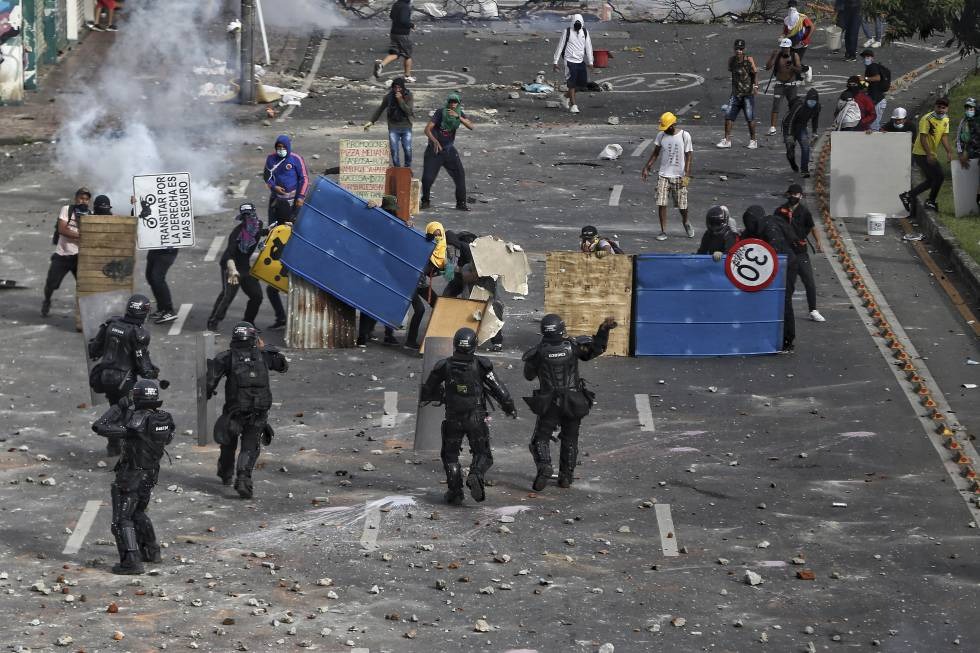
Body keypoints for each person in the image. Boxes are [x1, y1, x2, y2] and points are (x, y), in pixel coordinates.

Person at [420, 327, 516, 504]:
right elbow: (499, 389)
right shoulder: (481, 365)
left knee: (450, 456)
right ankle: (476, 474)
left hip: (452, 419)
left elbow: (427, 391)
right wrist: (509, 407)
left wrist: (441, 394)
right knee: (483, 454)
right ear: (474, 345)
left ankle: (455, 492)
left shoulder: (443, 366)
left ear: (455, 344)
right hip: (476, 418)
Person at [522, 315, 616, 491]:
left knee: (540, 439)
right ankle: (566, 477)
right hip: (574, 400)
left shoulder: (537, 352)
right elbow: (595, 350)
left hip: (549, 402)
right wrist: (604, 330)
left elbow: (528, 375)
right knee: (570, 439)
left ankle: (544, 466)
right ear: (561, 329)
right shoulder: (572, 346)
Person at [92, 379, 174, 575]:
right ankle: (151, 551)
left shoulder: (136, 422)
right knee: (138, 512)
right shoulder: (163, 419)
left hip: (131, 476)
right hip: (150, 475)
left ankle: (131, 561)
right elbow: (168, 438)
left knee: (122, 520)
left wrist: (120, 406)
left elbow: (100, 426)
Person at [207, 321, 288, 499]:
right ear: (254, 337)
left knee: (228, 443)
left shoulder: (226, 357)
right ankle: (243, 479)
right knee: (250, 446)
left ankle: (226, 474)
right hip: (258, 411)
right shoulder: (264, 355)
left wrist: (206, 394)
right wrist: (265, 347)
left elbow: (209, 382)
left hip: (234, 410)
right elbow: (283, 365)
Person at [88, 293, 161, 455]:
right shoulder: (139, 333)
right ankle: (127, 450)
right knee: (129, 415)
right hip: (124, 380)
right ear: (144, 312)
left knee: (114, 409)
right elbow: (143, 366)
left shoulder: (111, 324)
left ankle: (113, 446)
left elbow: (94, 349)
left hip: (105, 377)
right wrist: (153, 372)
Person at [740, 206, 798, 352]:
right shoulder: (757, 227)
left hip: (786, 267)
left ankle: (787, 339)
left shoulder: (769, 227)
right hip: (770, 268)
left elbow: (775, 250)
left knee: (784, 301)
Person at [206, 203, 265, 332]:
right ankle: (213, 323)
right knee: (228, 296)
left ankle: (248, 323)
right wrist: (232, 271)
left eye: (251, 215)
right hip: (231, 267)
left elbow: (262, 232)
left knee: (257, 296)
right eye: (246, 216)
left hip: (245, 267)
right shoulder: (237, 234)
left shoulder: (257, 225)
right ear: (242, 218)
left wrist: (281, 227)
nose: (250, 218)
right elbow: (228, 255)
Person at [641, 111, 694, 241]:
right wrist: (647, 167)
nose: (665, 130)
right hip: (663, 175)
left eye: (667, 127)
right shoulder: (661, 136)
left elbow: (689, 156)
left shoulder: (684, 135)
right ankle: (663, 231)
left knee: (682, 205)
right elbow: (655, 153)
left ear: (672, 125)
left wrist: (686, 175)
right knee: (661, 203)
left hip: (679, 176)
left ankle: (686, 221)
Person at [775, 184, 825, 323]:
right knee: (788, 284)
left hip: (801, 252)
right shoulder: (780, 211)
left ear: (801, 196)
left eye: (796, 195)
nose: (793, 197)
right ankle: (784, 311)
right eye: (791, 194)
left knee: (809, 281)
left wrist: (818, 242)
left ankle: (813, 310)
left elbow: (813, 227)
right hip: (786, 252)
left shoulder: (804, 212)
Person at [42, 187, 90, 317]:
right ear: (76, 198)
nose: (83, 201)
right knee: (51, 284)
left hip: (79, 257)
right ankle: (47, 300)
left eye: (86, 199)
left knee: (83, 286)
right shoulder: (67, 210)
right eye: (81, 198)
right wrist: (82, 235)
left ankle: (83, 312)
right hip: (62, 255)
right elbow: (62, 229)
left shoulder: (90, 215)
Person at [421, 93, 474, 211]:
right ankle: (425, 201)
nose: (453, 104)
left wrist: (458, 117)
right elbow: (427, 129)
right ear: (448, 102)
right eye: (451, 102)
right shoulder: (440, 112)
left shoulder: (459, 113)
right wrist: (434, 141)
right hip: (434, 150)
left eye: (455, 102)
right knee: (427, 178)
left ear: (458, 104)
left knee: (460, 176)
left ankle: (461, 203)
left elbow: (471, 126)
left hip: (449, 150)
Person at [900, 97, 954, 213]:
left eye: (943, 108)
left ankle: (908, 196)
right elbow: (923, 137)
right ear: (935, 106)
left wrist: (949, 151)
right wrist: (929, 154)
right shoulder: (927, 119)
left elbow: (944, 136)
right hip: (921, 153)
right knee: (939, 176)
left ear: (947, 109)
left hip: (930, 153)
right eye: (938, 107)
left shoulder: (946, 119)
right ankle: (931, 201)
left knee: (931, 180)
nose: (940, 110)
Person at [717, 39, 758, 149]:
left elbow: (754, 73)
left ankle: (753, 140)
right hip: (735, 93)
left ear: (744, 49)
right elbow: (732, 71)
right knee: (728, 116)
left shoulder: (748, 60)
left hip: (747, 94)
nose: (738, 51)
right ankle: (727, 140)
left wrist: (755, 86)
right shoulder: (732, 60)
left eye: (741, 49)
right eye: (737, 49)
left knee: (750, 117)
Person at [364, 77, 414, 168]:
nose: (397, 90)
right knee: (394, 150)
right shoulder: (389, 97)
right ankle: (397, 169)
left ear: (403, 88)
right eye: (395, 88)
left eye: (399, 88)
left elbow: (409, 111)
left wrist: (400, 100)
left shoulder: (409, 95)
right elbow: (380, 109)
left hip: (406, 126)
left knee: (407, 149)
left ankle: (407, 168)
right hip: (393, 127)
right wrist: (372, 121)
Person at [552, 13, 594, 115]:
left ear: (582, 23)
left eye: (579, 24)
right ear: (572, 23)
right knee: (572, 83)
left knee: (581, 85)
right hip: (569, 61)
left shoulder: (585, 32)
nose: (577, 26)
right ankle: (574, 105)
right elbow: (560, 46)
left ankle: (565, 96)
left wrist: (591, 61)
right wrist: (555, 61)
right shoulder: (567, 32)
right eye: (576, 24)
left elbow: (588, 47)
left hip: (580, 61)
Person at [263, 135, 308, 223]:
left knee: (293, 225)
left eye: (284, 147)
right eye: (279, 147)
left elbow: (304, 179)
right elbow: (266, 177)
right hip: (277, 198)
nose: (281, 149)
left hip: (294, 200)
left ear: (288, 147)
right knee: (275, 225)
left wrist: (301, 197)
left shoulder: (296, 159)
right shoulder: (271, 158)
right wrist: (274, 187)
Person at [763, 38, 802, 136]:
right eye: (783, 48)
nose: (785, 50)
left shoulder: (794, 56)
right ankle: (773, 128)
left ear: (790, 47)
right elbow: (767, 67)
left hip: (791, 86)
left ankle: (794, 125)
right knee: (775, 106)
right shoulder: (778, 56)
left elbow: (799, 70)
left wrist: (792, 67)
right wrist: (772, 57)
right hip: (779, 85)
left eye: (786, 48)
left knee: (794, 106)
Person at [374, 0, 415, 82]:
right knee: (408, 55)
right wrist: (412, 25)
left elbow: (391, 16)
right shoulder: (405, 7)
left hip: (394, 33)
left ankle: (381, 65)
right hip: (403, 34)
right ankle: (407, 76)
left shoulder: (396, 4)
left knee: (395, 53)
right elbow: (404, 20)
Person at [782, 88, 821, 177]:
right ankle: (792, 162)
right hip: (789, 125)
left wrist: (814, 132)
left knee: (806, 147)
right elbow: (791, 120)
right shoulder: (799, 105)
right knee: (790, 150)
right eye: (810, 101)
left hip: (801, 127)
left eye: (814, 101)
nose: (812, 103)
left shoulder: (817, 107)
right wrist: (789, 135)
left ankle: (804, 170)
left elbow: (815, 119)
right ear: (807, 99)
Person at [781, 1, 814, 83]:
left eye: (792, 7)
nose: (791, 9)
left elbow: (812, 27)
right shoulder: (786, 20)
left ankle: (807, 69)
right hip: (791, 44)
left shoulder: (803, 18)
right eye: (789, 7)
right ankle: (798, 78)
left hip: (802, 44)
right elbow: (785, 31)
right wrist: (782, 37)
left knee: (796, 63)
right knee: (789, 61)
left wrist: (806, 39)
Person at [957, 98, 980, 208]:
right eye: (967, 108)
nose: (969, 110)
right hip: (971, 155)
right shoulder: (964, 122)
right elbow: (959, 140)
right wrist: (960, 155)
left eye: (971, 108)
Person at [861, 49, 890, 131]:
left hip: (878, 102)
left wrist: (865, 78)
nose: (865, 59)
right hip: (877, 101)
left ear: (872, 58)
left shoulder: (872, 67)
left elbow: (877, 78)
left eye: (868, 57)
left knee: (873, 126)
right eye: (864, 57)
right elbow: (871, 85)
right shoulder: (871, 67)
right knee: (872, 125)